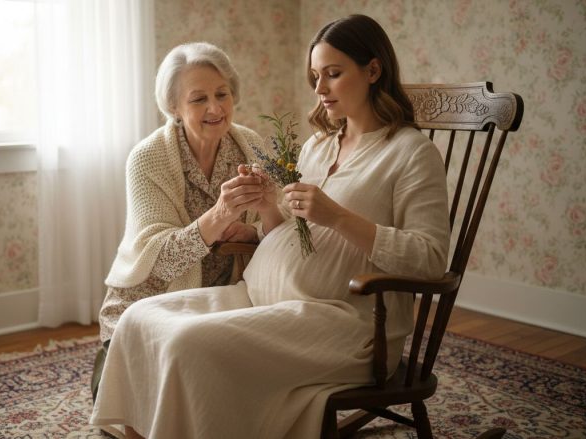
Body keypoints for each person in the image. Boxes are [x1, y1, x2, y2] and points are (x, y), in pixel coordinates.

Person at [91, 14, 451, 439]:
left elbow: (430, 261)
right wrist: (268, 210)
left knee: (188, 345)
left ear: (373, 71)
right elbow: (291, 235)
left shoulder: (410, 153)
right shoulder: (319, 145)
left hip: (343, 322)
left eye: (333, 75)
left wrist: (337, 217)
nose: (318, 89)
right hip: (266, 297)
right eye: (315, 76)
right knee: (140, 319)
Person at [91, 42, 271, 401]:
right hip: (147, 301)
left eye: (222, 94)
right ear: (173, 106)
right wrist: (219, 215)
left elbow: (278, 226)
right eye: (198, 99)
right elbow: (161, 260)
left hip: (224, 299)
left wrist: (252, 231)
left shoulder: (251, 146)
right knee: (131, 399)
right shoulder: (147, 159)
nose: (215, 108)